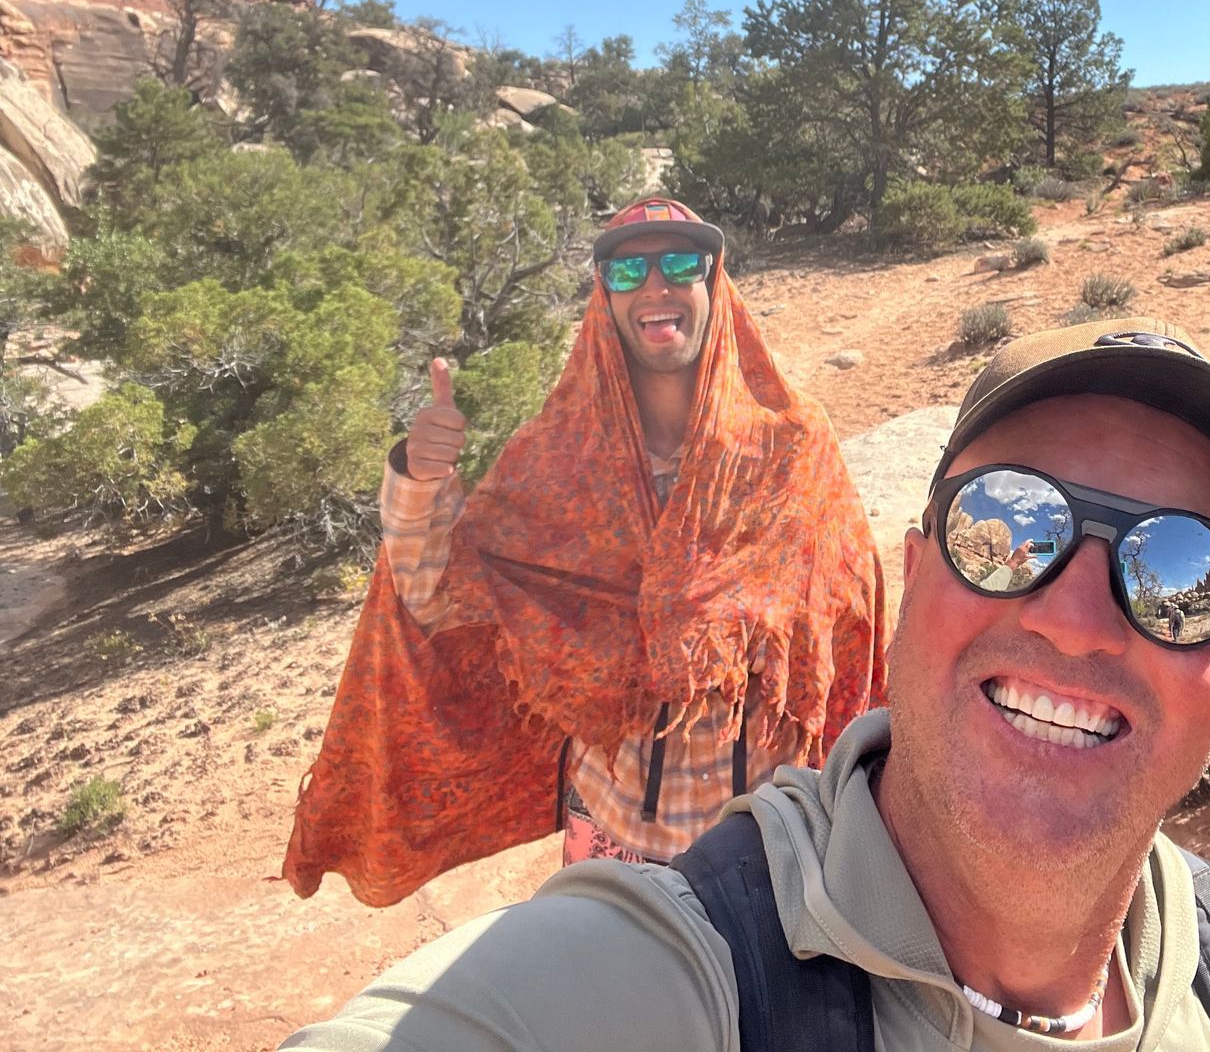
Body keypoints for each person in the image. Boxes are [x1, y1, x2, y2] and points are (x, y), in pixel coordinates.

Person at [284, 317, 1210, 1050]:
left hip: (758, 812)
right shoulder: (562, 477)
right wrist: (421, 492)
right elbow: (454, 602)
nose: (1072, 614)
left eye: (1181, 575)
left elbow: (845, 642)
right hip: (656, 860)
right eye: (1008, 529)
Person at [282, 198, 889, 906]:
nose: (655, 286)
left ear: (714, 279)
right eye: (628, 268)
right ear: (604, 297)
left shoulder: (791, 445)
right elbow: (437, 599)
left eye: (680, 262)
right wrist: (421, 480)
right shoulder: (554, 463)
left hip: (768, 844)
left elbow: (854, 621)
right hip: (611, 842)